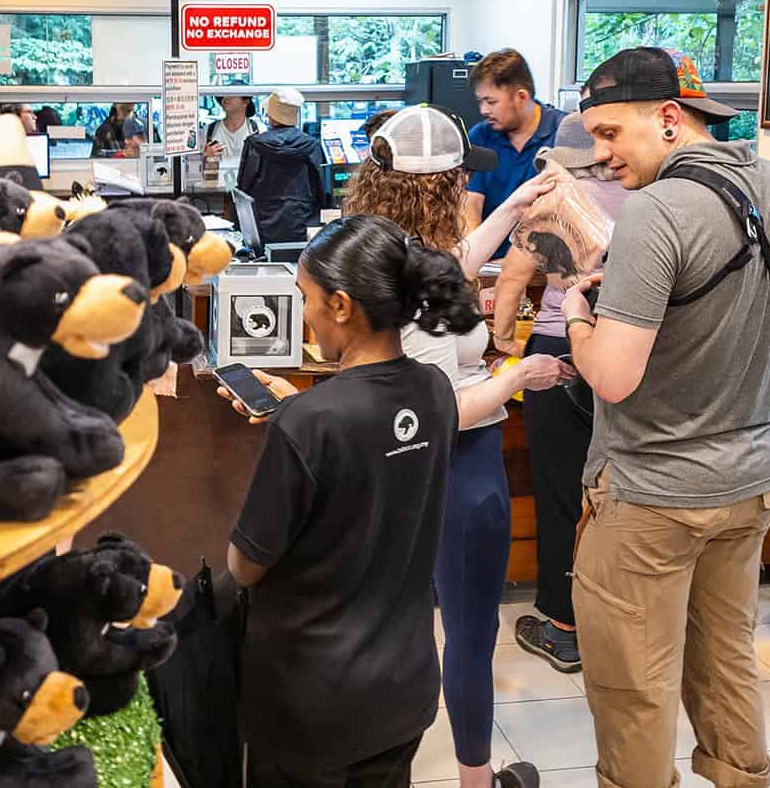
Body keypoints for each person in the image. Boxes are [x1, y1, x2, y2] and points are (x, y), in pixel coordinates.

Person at [562, 48, 770, 788]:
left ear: (670, 118)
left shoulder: (657, 209)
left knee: (634, 689)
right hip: (749, 483)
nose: (602, 156)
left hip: (651, 496)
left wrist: (583, 316)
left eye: (611, 134)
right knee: (727, 660)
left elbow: (613, 376)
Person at [219, 215, 536, 788]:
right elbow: (380, 432)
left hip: (310, 695)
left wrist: (296, 424)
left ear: (341, 305)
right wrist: (299, 413)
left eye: (307, 299)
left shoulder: (310, 423)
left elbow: (245, 565)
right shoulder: (436, 392)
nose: (306, 314)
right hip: (402, 687)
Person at [346, 106, 568, 788]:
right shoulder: (415, 270)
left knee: (392, 627)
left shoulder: (379, 252)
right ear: (439, 184)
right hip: (458, 472)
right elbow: (440, 406)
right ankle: (476, 778)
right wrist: (518, 377)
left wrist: (514, 209)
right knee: (469, 635)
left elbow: (454, 266)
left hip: (388, 475)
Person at [489, 118, 631, 675]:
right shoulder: (652, 193)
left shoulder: (558, 200)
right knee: (618, 494)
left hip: (562, 344)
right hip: (631, 347)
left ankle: (563, 627)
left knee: (561, 494)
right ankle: (615, 622)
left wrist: (503, 345)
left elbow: (510, 280)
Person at [462, 50, 565, 257]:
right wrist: (472, 261)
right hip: (491, 264)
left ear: (521, 97)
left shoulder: (563, 132)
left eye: (491, 102)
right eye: (480, 101)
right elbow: (470, 206)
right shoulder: (480, 137)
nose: (483, 110)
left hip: (549, 263)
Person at [237, 88, 326, 248]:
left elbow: (244, 188)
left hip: (262, 225)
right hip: (301, 225)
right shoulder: (312, 145)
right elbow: (322, 189)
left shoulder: (255, 145)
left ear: (271, 115)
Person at [204, 95, 262, 189]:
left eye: (231, 95)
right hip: (216, 190)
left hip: (248, 190)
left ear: (245, 102)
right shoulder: (210, 130)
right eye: (223, 95)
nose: (225, 98)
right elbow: (194, 166)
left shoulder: (258, 129)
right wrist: (206, 156)